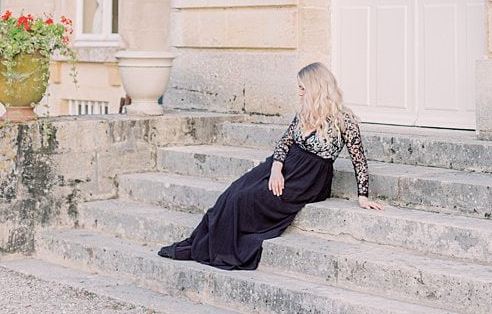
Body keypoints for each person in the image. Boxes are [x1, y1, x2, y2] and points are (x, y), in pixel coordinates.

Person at [157, 62, 381, 270]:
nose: (299, 92)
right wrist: (276, 169)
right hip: (283, 165)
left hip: (308, 179)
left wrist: (363, 196)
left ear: (316, 88)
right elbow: (284, 143)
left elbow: (358, 158)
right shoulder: (304, 111)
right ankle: (200, 243)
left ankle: (220, 249)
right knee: (232, 192)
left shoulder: (345, 120)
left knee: (245, 198)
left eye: (303, 87)